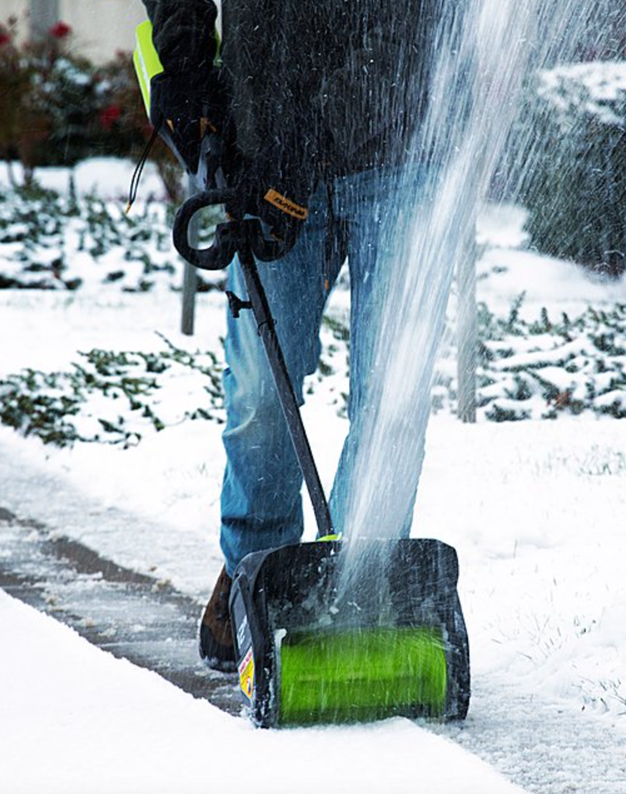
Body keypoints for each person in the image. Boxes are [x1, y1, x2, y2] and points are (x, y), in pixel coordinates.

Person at [140, 0, 442, 671]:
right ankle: (259, 567)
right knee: (259, 394)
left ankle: (360, 588)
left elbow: (413, 24)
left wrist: (311, 137)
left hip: (402, 147)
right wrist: (185, 56)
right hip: (262, 140)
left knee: (392, 393)